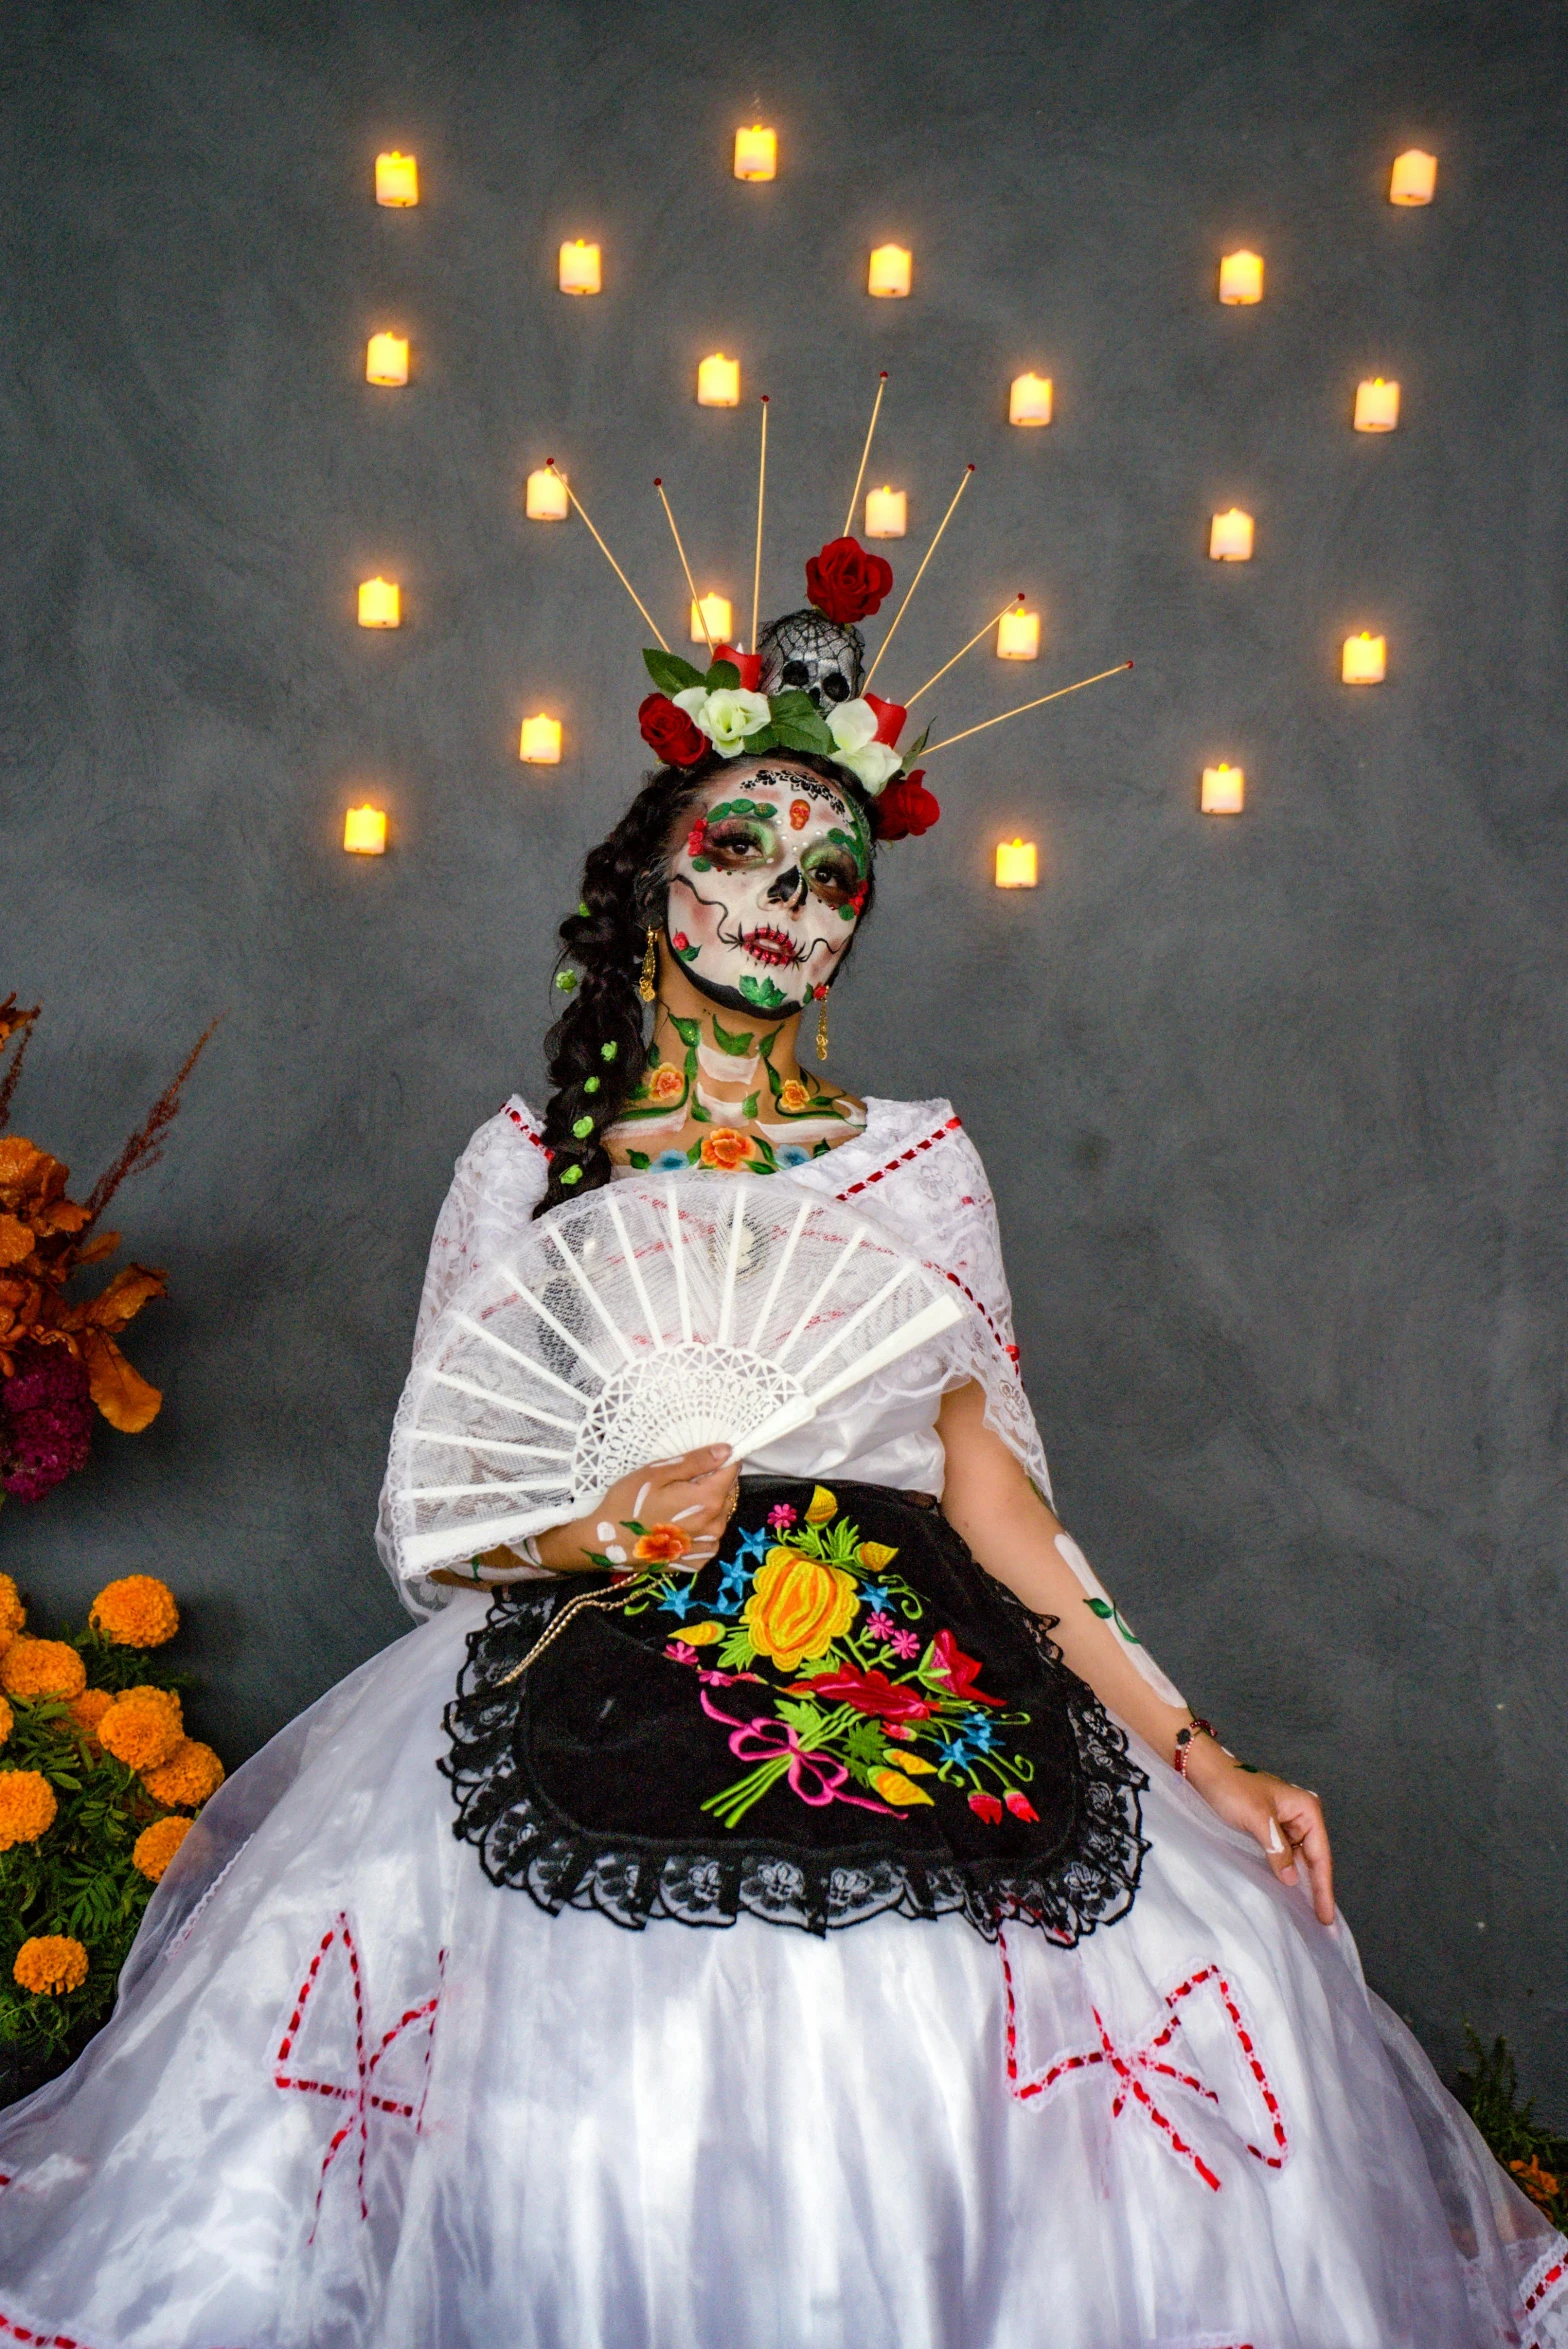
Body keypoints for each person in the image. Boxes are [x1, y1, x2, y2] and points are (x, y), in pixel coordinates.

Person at [0, 576, 1562, 2349]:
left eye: (831, 880)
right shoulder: (530, 1160)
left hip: (921, 1667)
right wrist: (602, 1519)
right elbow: (442, 1506)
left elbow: (994, 1501)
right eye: (745, 849)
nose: (784, 905)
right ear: (656, 875)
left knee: (1059, 2014)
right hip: (597, 1654)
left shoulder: (921, 1163)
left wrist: (1198, 1750)